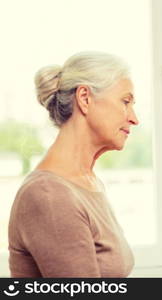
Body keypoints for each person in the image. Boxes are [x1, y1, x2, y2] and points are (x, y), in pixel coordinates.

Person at [8, 51, 139, 277]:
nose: (134, 118)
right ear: (85, 98)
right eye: (125, 102)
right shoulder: (49, 195)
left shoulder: (87, 184)